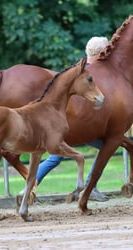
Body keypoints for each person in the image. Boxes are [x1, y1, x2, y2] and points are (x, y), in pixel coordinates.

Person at [36, 37, 110, 202]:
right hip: (80, 126)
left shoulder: (77, 70)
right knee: (106, 146)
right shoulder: (92, 74)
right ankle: (91, 187)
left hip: (69, 124)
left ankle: (30, 187)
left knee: (55, 157)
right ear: (101, 53)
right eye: (106, 51)